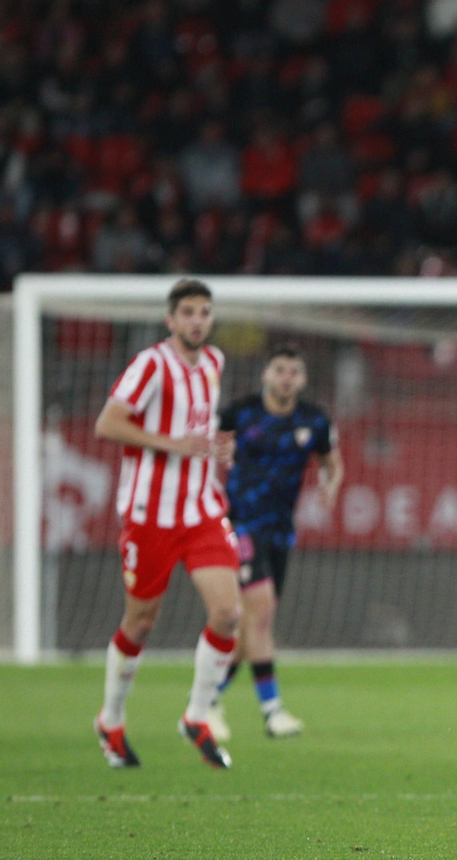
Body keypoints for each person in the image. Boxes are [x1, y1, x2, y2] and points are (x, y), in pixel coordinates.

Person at [92, 278, 240, 770]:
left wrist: (220, 446)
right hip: (149, 516)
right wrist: (173, 444)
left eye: (205, 312)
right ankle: (111, 719)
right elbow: (108, 424)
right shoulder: (151, 364)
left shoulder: (215, 363)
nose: (198, 320)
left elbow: (199, 428)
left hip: (200, 510)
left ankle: (196, 716)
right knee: (141, 621)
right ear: (171, 320)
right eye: (189, 312)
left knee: (228, 613)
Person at [210, 342, 342, 740]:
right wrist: (218, 455)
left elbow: (333, 464)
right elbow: (204, 445)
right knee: (261, 613)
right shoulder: (239, 413)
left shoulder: (314, 420)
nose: (287, 378)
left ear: (302, 378)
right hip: (241, 524)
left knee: (253, 627)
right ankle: (273, 712)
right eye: (280, 370)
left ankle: (206, 700)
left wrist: (329, 487)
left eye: (294, 372)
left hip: (281, 530)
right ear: (266, 374)